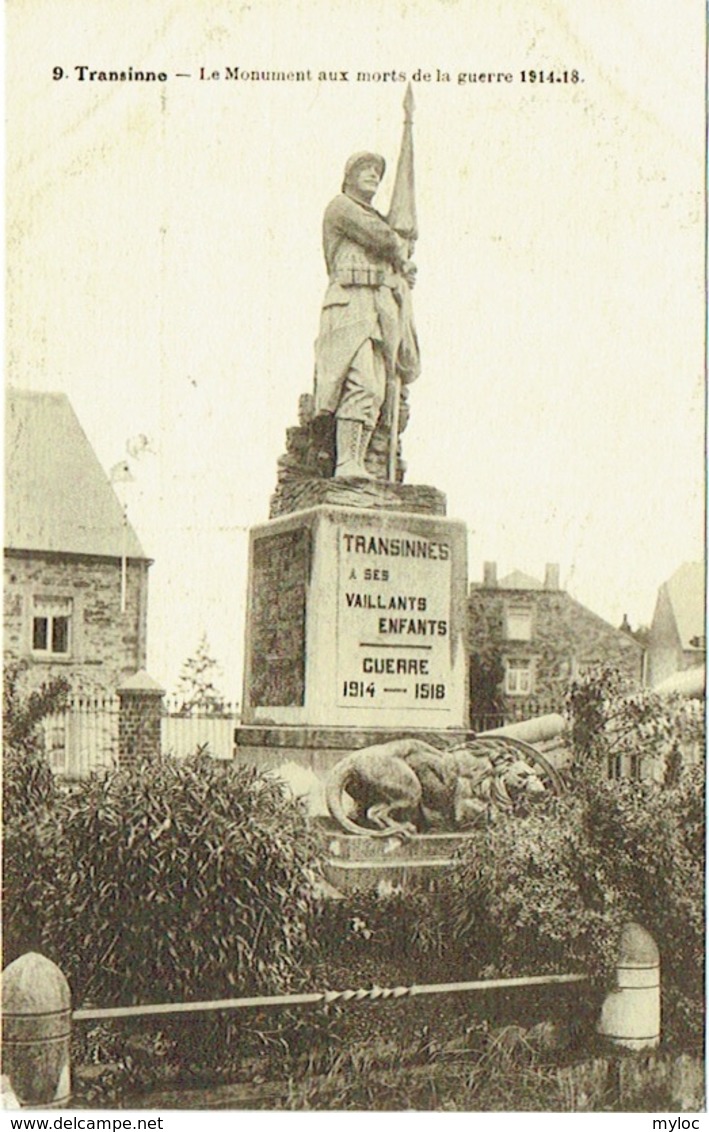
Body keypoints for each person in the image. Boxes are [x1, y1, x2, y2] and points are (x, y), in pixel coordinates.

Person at [313, 152, 420, 479]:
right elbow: (383, 238)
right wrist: (400, 248)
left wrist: (400, 275)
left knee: (373, 389)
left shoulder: (375, 220)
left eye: (378, 171)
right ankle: (346, 461)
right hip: (349, 305)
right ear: (349, 176)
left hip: (375, 309)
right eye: (365, 169)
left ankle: (356, 462)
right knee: (355, 380)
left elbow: (388, 250)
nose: (374, 174)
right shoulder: (342, 208)